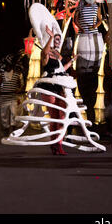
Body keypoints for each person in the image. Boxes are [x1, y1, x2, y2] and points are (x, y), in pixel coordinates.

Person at [37, 25, 77, 155]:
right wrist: (50, 36)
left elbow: (61, 70)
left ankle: (57, 143)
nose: (57, 41)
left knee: (62, 116)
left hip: (60, 86)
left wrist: (72, 61)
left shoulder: (57, 56)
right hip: (49, 87)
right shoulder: (45, 55)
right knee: (55, 116)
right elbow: (45, 53)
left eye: (59, 39)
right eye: (56, 39)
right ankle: (56, 145)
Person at [74, 0, 104, 126]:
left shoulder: (96, 6)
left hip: (93, 37)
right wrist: (81, 26)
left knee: (93, 69)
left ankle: (92, 114)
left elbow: (100, 19)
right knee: (83, 69)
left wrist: (95, 25)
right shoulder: (80, 5)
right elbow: (75, 18)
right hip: (83, 36)